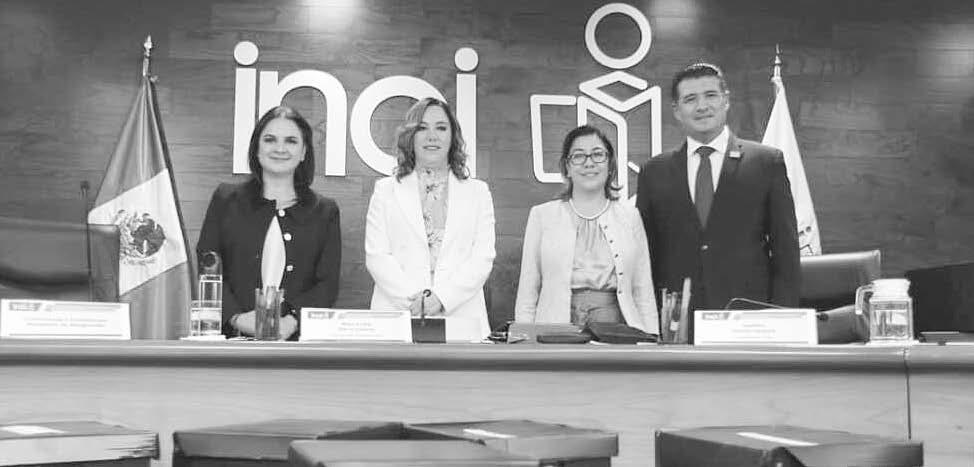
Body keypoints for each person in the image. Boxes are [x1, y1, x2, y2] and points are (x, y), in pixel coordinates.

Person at [635, 63, 800, 330]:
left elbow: (786, 252)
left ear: (726, 100)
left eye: (710, 95)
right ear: (676, 110)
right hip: (677, 322)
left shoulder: (766, 163)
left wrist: (784, 321)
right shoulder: (654, 172)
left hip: (750, 320)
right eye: (690, 99)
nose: (702, 106)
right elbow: (645, 257)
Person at [197, 106, 341, 340]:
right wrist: (236, 317)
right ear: (256, 148)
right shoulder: (226, 200)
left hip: (296, 343)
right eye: (270, 140)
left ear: (304, 152)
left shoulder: (324, 211)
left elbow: (327, 284)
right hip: (231, 340)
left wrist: (292, 321)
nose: (280, 149)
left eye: (291, 141)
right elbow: (207, 268)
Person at [365, 97, 496, 342]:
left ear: (453, 136)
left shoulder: (478, 192)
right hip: (398, 315)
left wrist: (442, 299)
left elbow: (482, 258)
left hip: (461, 317)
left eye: (441, 128)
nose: (432, 136)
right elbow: (377, 256)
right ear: (410, 136)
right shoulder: (385, 190)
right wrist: (417, 303)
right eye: (422, 128)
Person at [515, 125, 659, 333]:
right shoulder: (542, 216)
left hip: (616, 332)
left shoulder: (630, 217)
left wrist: (651, 339)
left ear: (610, 165)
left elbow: (642, 291)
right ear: (567, 167)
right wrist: (524, 339)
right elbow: (527, 293)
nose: (589, 162)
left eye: (598, 155)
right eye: (579, 156)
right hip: (554, 333)